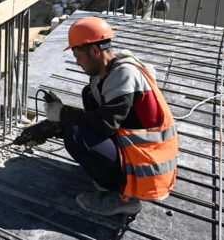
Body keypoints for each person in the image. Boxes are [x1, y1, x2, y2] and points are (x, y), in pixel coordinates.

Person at [45, 17, 178, 216]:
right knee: (87, 96)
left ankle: (124, 199)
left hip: (149, 169)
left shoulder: (124, 75)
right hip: (139, 156)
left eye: (78, 56)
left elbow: (104, 124)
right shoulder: (104, 76)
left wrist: (64, 114)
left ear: (95, 51)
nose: (77, 62)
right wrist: (57, 125)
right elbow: (97, 117)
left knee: (76, 135)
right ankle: (113, 175)